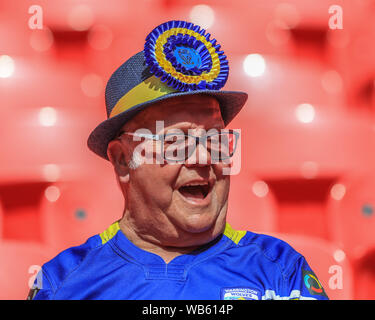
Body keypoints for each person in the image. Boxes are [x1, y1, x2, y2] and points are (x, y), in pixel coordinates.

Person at [28, 20, 328, 300]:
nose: (202, 157)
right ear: (122, 160)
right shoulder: (62, 283)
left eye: (215, 139)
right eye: (176, 142)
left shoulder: (280, 271)